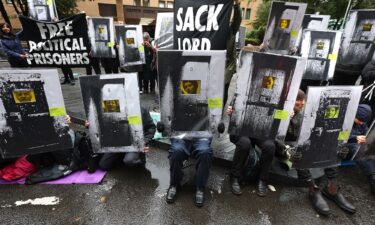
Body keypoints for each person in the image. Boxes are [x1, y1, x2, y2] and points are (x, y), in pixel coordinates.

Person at [274, 90, 356, 216]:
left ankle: (331, 188)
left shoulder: (305, 112)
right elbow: (275, 136)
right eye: (298, 102)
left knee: (330, 147)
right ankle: (313, 189)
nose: (301, 104)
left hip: (300, 142)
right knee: (298, 151)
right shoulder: (279, 111)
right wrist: (287, 119)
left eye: (303, 101)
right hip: (283, 148)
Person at [226, 104, 276, 197]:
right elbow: (235, 105)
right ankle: (234, 176)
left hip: (260, 129)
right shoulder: (243, 89)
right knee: (244, 143)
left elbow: (279, 114)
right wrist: (231, 111)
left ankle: (262, 179)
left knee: (270, 146)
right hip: (241, 128)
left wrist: (287, 114)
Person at [166, 136, 213, 207]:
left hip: (202, 137)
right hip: (181, 136)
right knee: (176, 151)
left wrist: (218, 125)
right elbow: (168, 126)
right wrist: (164, 125)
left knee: (205, 152)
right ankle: (174, 184)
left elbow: (214, 126)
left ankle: (200, 187)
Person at [346, 104, 374, 194]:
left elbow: (366, 130)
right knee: (361, 152)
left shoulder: (362, 121)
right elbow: (338, 136)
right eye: (360, 120)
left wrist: (367, 137)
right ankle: (373, 179)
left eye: (363, 121)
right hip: (346, 143)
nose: (361, 122)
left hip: (358, 142)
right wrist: (355, 138)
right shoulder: (345, 119)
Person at [223, 0, 242, 105]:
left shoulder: (230, 29)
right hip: (211, 66)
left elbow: (237, 20)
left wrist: (237, 5)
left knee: (223, 91)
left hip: (226, 67)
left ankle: (218, 113)